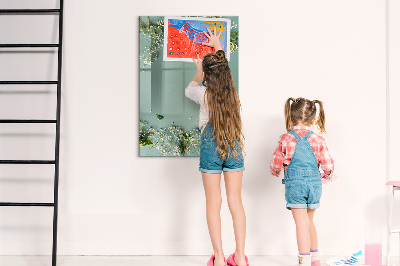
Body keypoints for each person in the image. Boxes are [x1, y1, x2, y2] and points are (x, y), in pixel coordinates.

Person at [185, 28, 248, 266]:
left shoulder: (203, 94)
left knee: (213, 203)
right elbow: (225, 70)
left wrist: (198, 71)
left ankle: (220, 258)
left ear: (207, 77)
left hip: (211, 148)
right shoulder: (233, 94)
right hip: (233, 146)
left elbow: (188, 89)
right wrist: (219, 46)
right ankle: (240, 257)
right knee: (236, 202)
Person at [270, 98, 335, 266]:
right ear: (313, 120)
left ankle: (303, 261)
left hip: (295, 186)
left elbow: (275, 165)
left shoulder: (285, 138)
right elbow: (328, 166)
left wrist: (276, 171)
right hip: (314, 185)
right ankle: (315, 260)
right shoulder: (318, 139)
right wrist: (327, 176)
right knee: (309, 222)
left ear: (291, 117)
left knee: (301, 224)